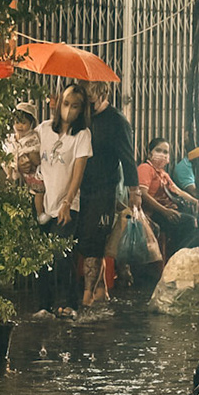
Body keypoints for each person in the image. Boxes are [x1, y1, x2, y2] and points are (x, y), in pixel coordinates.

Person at [33, 83, 92, 321]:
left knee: (62, 256)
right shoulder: (44, 129)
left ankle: (68, 304)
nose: (69, 111)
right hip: (41, 201)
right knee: (39, 257)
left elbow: (78, 173)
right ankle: (43, 306)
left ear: (81, 109)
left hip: (68, 204)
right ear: (58, 103)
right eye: (66, 104)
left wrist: (67, 202)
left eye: (75, 106)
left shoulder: (82, 135)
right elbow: (31, 157)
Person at [80, 80, 138, 305]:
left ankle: (87, 297)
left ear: (103, 94)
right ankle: (101, 288)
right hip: (82, 186)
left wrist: (135, 191)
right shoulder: (84, 118)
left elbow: (127, 157)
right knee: (90, 240)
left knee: (94, 240)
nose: (90, 105)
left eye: (93, 100)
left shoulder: (117, 121)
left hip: (104, 188)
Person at [137, 137, 198, 259]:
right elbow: (143, 194)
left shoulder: (163, 174)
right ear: (149, 153)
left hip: (168, 211)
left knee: (198, 222)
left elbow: (178, 191)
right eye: (158, 150)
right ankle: (176, 258)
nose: (162, 155)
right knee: (190, 223)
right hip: (153, 213)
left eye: (165, 152)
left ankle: (178, 257)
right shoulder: (145, 168)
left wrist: (195, 201)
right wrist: (164, 211)